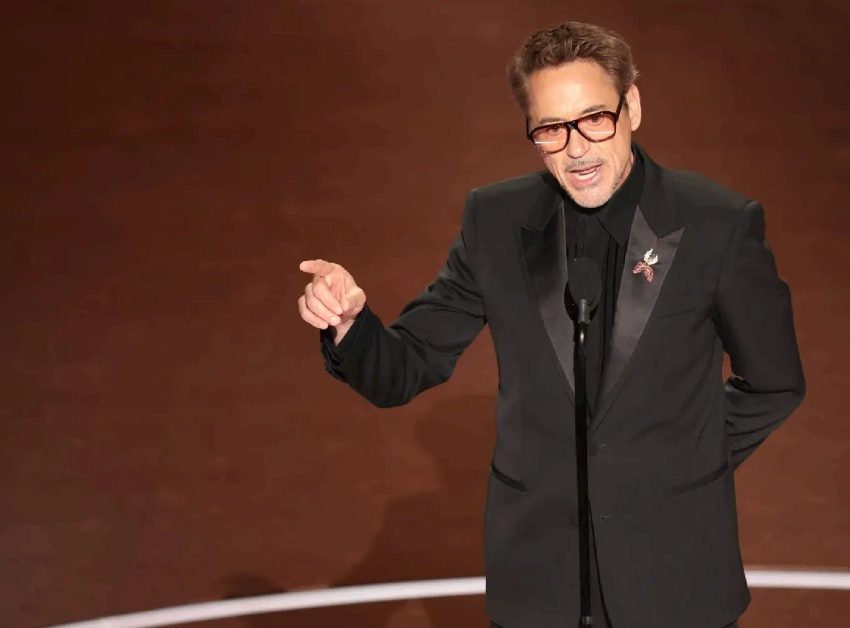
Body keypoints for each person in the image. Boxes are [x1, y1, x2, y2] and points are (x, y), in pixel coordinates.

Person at [297, 21, 806, 628]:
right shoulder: (495, 221)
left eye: (596, 119)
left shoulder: (718, 224)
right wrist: (350, 326)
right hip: (539, 584)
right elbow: (405, 368)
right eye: (552, 129)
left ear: (632, 106)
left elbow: (775, 380)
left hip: (675, 580)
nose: (579, 149)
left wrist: (682, 460)